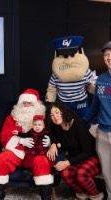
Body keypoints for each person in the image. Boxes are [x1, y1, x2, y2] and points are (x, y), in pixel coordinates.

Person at [0, 88, 53, 200]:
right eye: (23, 103)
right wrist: (20, 140)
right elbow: (3, 136)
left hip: (37, 151)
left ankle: (46, 195)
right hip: (17, 150)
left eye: (29, 103)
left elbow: (55, 134)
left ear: (36, 105)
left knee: (41, 161)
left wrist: (49, 141)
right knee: (0, 160)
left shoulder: (45, 118)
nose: (26, 105)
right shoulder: (11, 119)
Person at [45, 101, 104, 200]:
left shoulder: (78, 123)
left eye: (57, 112)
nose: (55, 116)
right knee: (65, 174)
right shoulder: (56, 127)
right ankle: (83, 194)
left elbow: (87, 152)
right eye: (51, 115)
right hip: (76, 158)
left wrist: (67, 162)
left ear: (62, 111)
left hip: (92, 157)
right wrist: (53, 144)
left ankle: (96, 196)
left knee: (81, 174)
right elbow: (50, 133)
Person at [84, 41, 111, 200]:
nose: (109, 58)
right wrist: (81, 122)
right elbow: (94, 107)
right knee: (108, 173)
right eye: (106, 55)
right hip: (102, 134)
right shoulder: (100, 80)